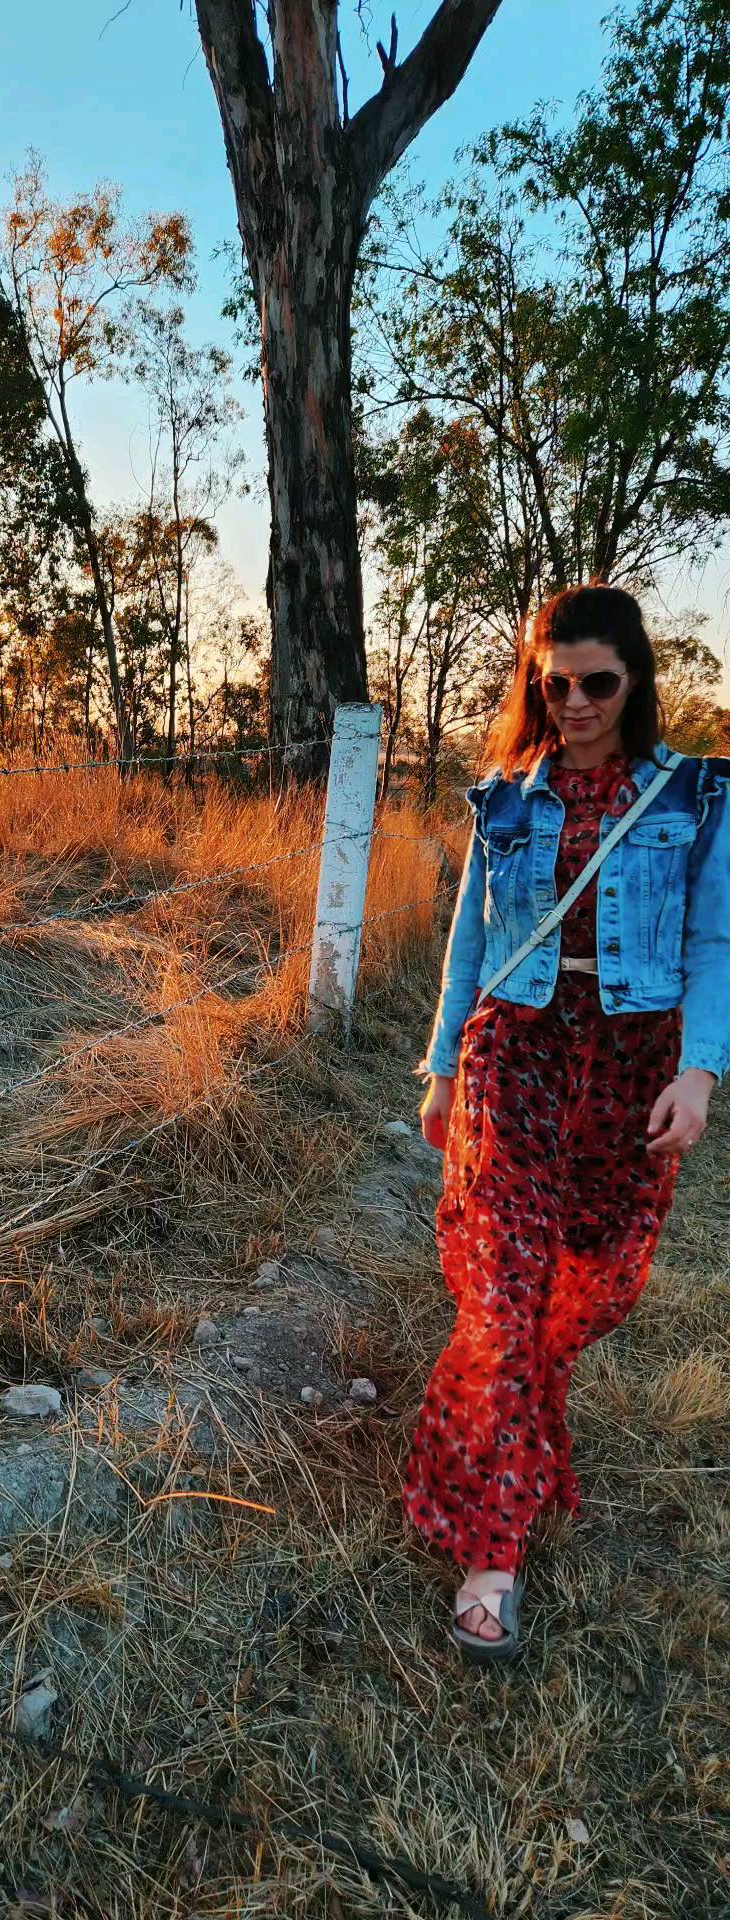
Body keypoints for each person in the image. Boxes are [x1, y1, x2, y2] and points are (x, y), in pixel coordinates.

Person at [406, 583, 730, 1662]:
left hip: (632, 1062)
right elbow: (469, 942)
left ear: (635, 682)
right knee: (502, 1292)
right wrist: (442, 1072)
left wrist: (700, 1074)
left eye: (599, 682)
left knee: (581, 1292)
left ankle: (515, 1440)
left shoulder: (695, 797)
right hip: (517, 1049)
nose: (578, 701)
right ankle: (491, 1551)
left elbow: (715, 942)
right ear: (536, 685)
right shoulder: (506, 796)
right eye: (558, 684)